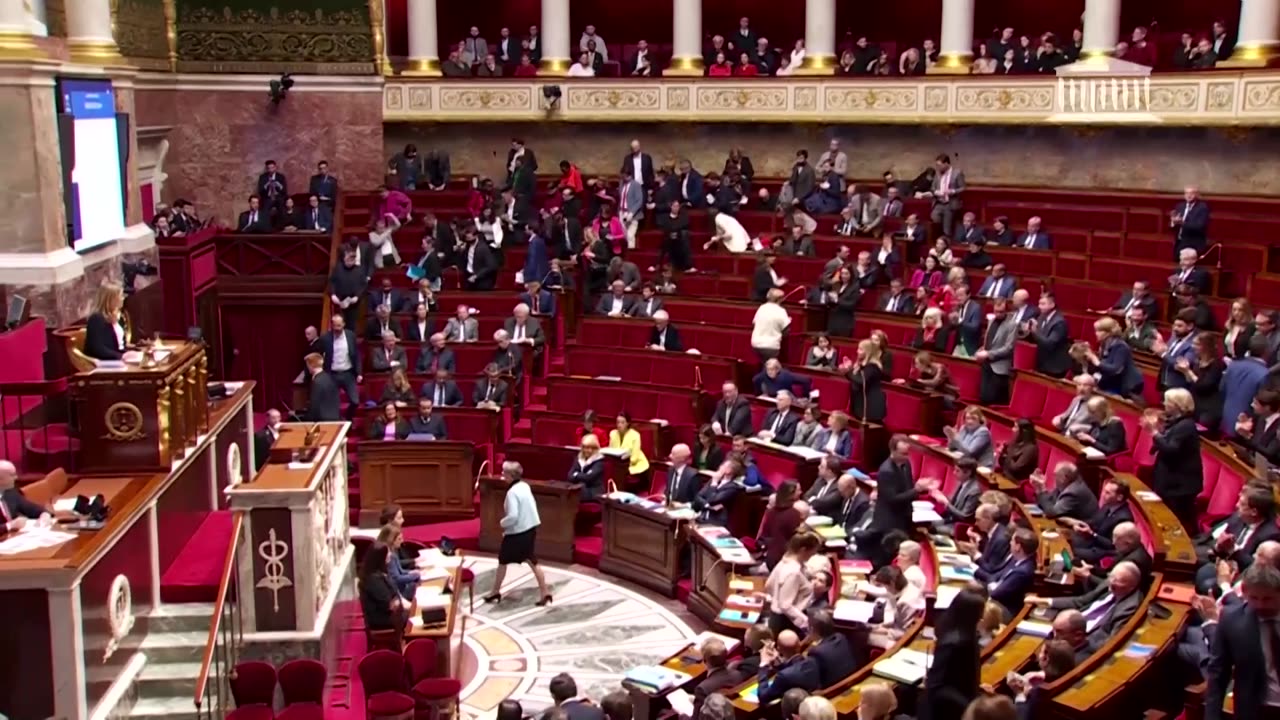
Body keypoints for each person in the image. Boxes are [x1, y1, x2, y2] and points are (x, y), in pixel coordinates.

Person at [484, 462, 551, 605]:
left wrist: (502, 523)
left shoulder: (512, 492)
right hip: (530, 530)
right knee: (531, 560)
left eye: (503, 473)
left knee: (503, 561)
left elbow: (513, 516)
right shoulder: (525, 486)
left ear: (510, 475)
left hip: (518, 534)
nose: (502, 475)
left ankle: (495, 592)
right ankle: (545, 593)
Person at [918, 589, 985, 720]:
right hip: (944, 711)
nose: (982, 616)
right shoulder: (954, 643)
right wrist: (970, 704)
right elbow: (937, 686)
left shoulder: (967, 634)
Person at [1145, 388, 1204, 531]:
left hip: (1180, 485)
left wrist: (1154, 433)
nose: (1164, 403)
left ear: (1176, 404)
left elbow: (1171, 449)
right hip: (1171, 481)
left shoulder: (1186, 425)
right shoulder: (1175, 422)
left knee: (1179, 522)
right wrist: (1159, 433)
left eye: (1167, 401)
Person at [764, 532, 822, 636]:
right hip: (787, 623)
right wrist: (805, 622)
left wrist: (776, 598)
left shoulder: (784, 562)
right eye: (812, 552)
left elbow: (768, 585)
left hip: (777, 618)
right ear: (803, 550)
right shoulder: (793, 572)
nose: (813, 555)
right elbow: (785, 605)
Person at [1223, 335, 1273, 437]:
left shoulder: (1233, 365)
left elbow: (1222, 389)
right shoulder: (1264, 374)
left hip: (1226, 418)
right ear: (1267, 351)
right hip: (1246, 425)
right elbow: (1261, 403)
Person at [359, 542, 407, 633]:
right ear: (380, 557)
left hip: (392, 614)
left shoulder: (381, 572)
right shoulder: (373, 580)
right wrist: (399, 602)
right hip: (382, 618)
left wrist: (399, 601)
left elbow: (395, 596)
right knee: (412, 618)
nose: (390, 555)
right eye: (387, 553)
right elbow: (389, 604)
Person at [1032, 461, 1098, 521]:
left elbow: (1052, 513)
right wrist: (1039, 488)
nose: (1054, 477)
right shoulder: (1067, 483)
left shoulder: (1073, 492)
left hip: (1082, 529)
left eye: (1055, 475)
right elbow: (1050, 501)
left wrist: (1042, 490)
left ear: (1064, 478)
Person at [842, 339, 886, 424]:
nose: (857, 351)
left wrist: (848, 371)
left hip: (870, 408)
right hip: (859, 405)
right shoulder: (862, 365)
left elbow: (861, 381)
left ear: (868, 352)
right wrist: (850, 369)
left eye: (860, 349)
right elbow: (855, 379)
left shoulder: (873, 367)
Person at [83, 281, 129, 361]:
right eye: (121, 295)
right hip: (102, 362)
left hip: (116, 359)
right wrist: (120, 356)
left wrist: (131, 353)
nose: (123, 298)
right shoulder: (96, 319)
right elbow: (97, 348)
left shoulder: (117, 317)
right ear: (111, 299)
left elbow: (120, 345)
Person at [1029, 293, 1071, 377]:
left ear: (1052, 305)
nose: (1039, 306)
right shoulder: (1041, 317)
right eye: (1039, 304)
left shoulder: (1059, 322)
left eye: (1043, 304)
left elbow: (1049, 344)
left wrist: (1034, 332)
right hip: (1042, 362)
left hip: (1054, 366)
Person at [694, 459, 744, 527]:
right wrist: (708, 506)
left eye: (723, 466)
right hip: (701, 517)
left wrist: (714, 483)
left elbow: (712, 499)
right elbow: (698, 496)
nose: (720, 467)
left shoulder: (732, 488)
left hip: (716, 522)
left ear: (729, 471)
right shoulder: (715, 480)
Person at [751, 288, 792, 363]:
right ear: (780, 299)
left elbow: (754, 324)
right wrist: (788, 322)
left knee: (764, 364)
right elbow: (786, 332)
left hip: (756, 344)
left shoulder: (761, 308)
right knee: (771, 369)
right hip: (771, 346)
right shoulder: (781, 311)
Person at [609, 412, 650, 479]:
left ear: (628, 423)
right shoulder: (613, 433)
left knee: (621, 472)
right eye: (618, 422)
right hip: (618, 464)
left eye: (622, 422)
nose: (619, 425)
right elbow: (610, 451)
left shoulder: (635, 435)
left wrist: (622, 465)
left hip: (634, 464)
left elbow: (634, 458)